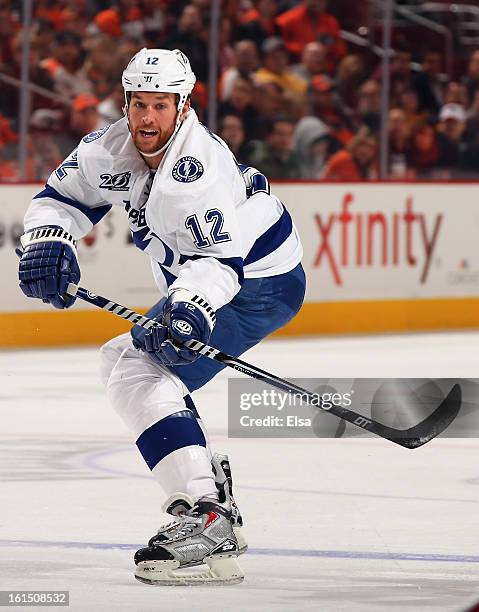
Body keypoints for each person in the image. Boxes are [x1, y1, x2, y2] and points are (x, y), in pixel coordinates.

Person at [17, 48, 305, 586]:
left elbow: (219, 264)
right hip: (210, 276)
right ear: (125, 103)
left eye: (160, 106)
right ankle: (208, 502)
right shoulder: (111, 146)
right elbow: (57, 197)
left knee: (139, 370)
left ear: (182, 105)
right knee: (132, 366)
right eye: (138, 104)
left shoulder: (197, 172)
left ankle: (209, 517)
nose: (147, 118)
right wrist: (47, 239)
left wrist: (189, 310)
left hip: (258, 281)